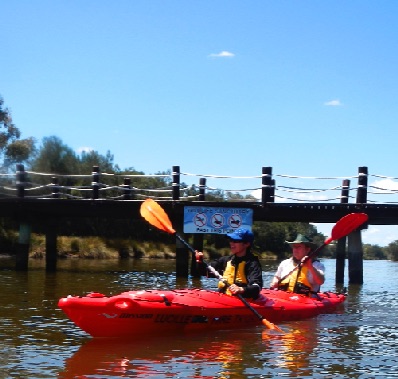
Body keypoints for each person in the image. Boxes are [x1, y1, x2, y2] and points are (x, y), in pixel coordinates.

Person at [195, 228, 263, 299]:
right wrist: (200, 262)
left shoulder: (252, 263)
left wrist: (241, 289)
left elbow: (257, 287)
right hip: (224, 297)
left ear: (246, 244)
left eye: (235, 241)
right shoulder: (225, 260)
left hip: (242, 300)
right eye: (231, 240)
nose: (231, 243)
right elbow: (205, 272)